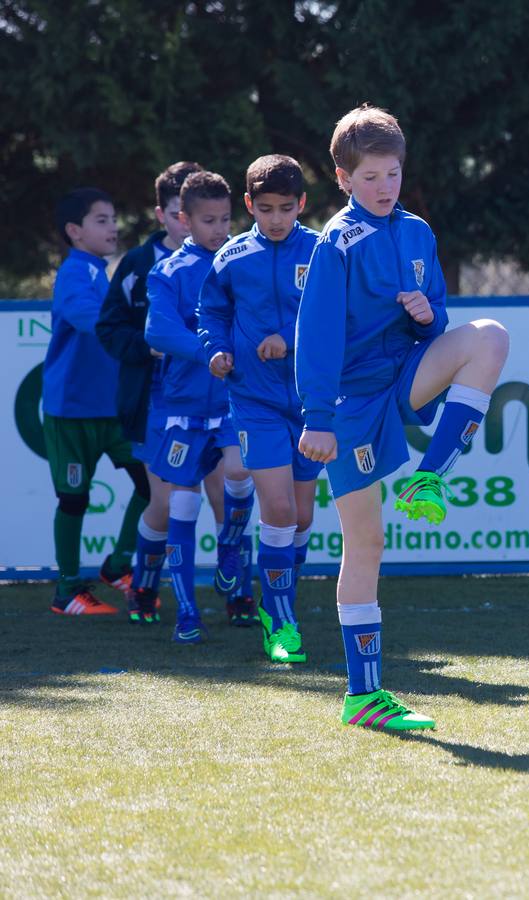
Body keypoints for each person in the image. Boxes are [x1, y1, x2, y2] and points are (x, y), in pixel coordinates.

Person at [296, 104, 509, 731]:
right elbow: (316, 337)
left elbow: (438, 317)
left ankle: (432, 476)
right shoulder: (336, 241)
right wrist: (316, 418)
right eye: (369, 178)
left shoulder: (418, 232)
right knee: (366, 541)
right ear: (343, 178)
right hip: (351, 405)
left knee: (489, 336)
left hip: (405, 378)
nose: (384, 187)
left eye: (391, 174)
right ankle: (364, 697)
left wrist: (427, 315)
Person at [198, 154, 322, 662]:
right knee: (279, 509)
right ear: (248, 204)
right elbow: (212, 311)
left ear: (302, 205)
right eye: (265, 208)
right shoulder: (230, 257)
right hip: (254, 401)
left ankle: (278, 597)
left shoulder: (321, 253)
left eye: (286, 208)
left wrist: (290, 343)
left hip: (312, 403)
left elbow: (338, 321)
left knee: (303, 515)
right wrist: (216, 350)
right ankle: (279, 619)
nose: (275, 219)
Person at [97, 161, 232, 625]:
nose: (190, 223)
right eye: (181, 214)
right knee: (169, 501)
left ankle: (237, 594)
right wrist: (150, 350)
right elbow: (117, 328)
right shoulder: (145, 265)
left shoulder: (234, 258)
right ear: (169, 216)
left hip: (222, 397)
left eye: (221, 218)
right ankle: (146, 587)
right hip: (162, 402)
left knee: (229, 494)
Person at [145, 170, 257, 642]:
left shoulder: (244, 261)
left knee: (239, 471)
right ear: (184, 220)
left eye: (226, 219)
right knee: (181, 506)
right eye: (208, 220)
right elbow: (158, 331)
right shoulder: (168, 271)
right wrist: (205, 351)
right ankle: (187, 612)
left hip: (236, 400)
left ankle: (230, 547)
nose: (219, 229)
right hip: (182, 408)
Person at [42, 188, 150, 615]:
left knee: (150, 484)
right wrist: (133, 334)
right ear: (74, 231)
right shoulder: (75, 273)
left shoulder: (101, 271)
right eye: (101, 220)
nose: (114, 226)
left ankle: (117, 565)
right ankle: (66, 591)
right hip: (73, 412)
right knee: (74, 499)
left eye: (113, 218)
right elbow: (86, 317)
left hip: (113, 410)